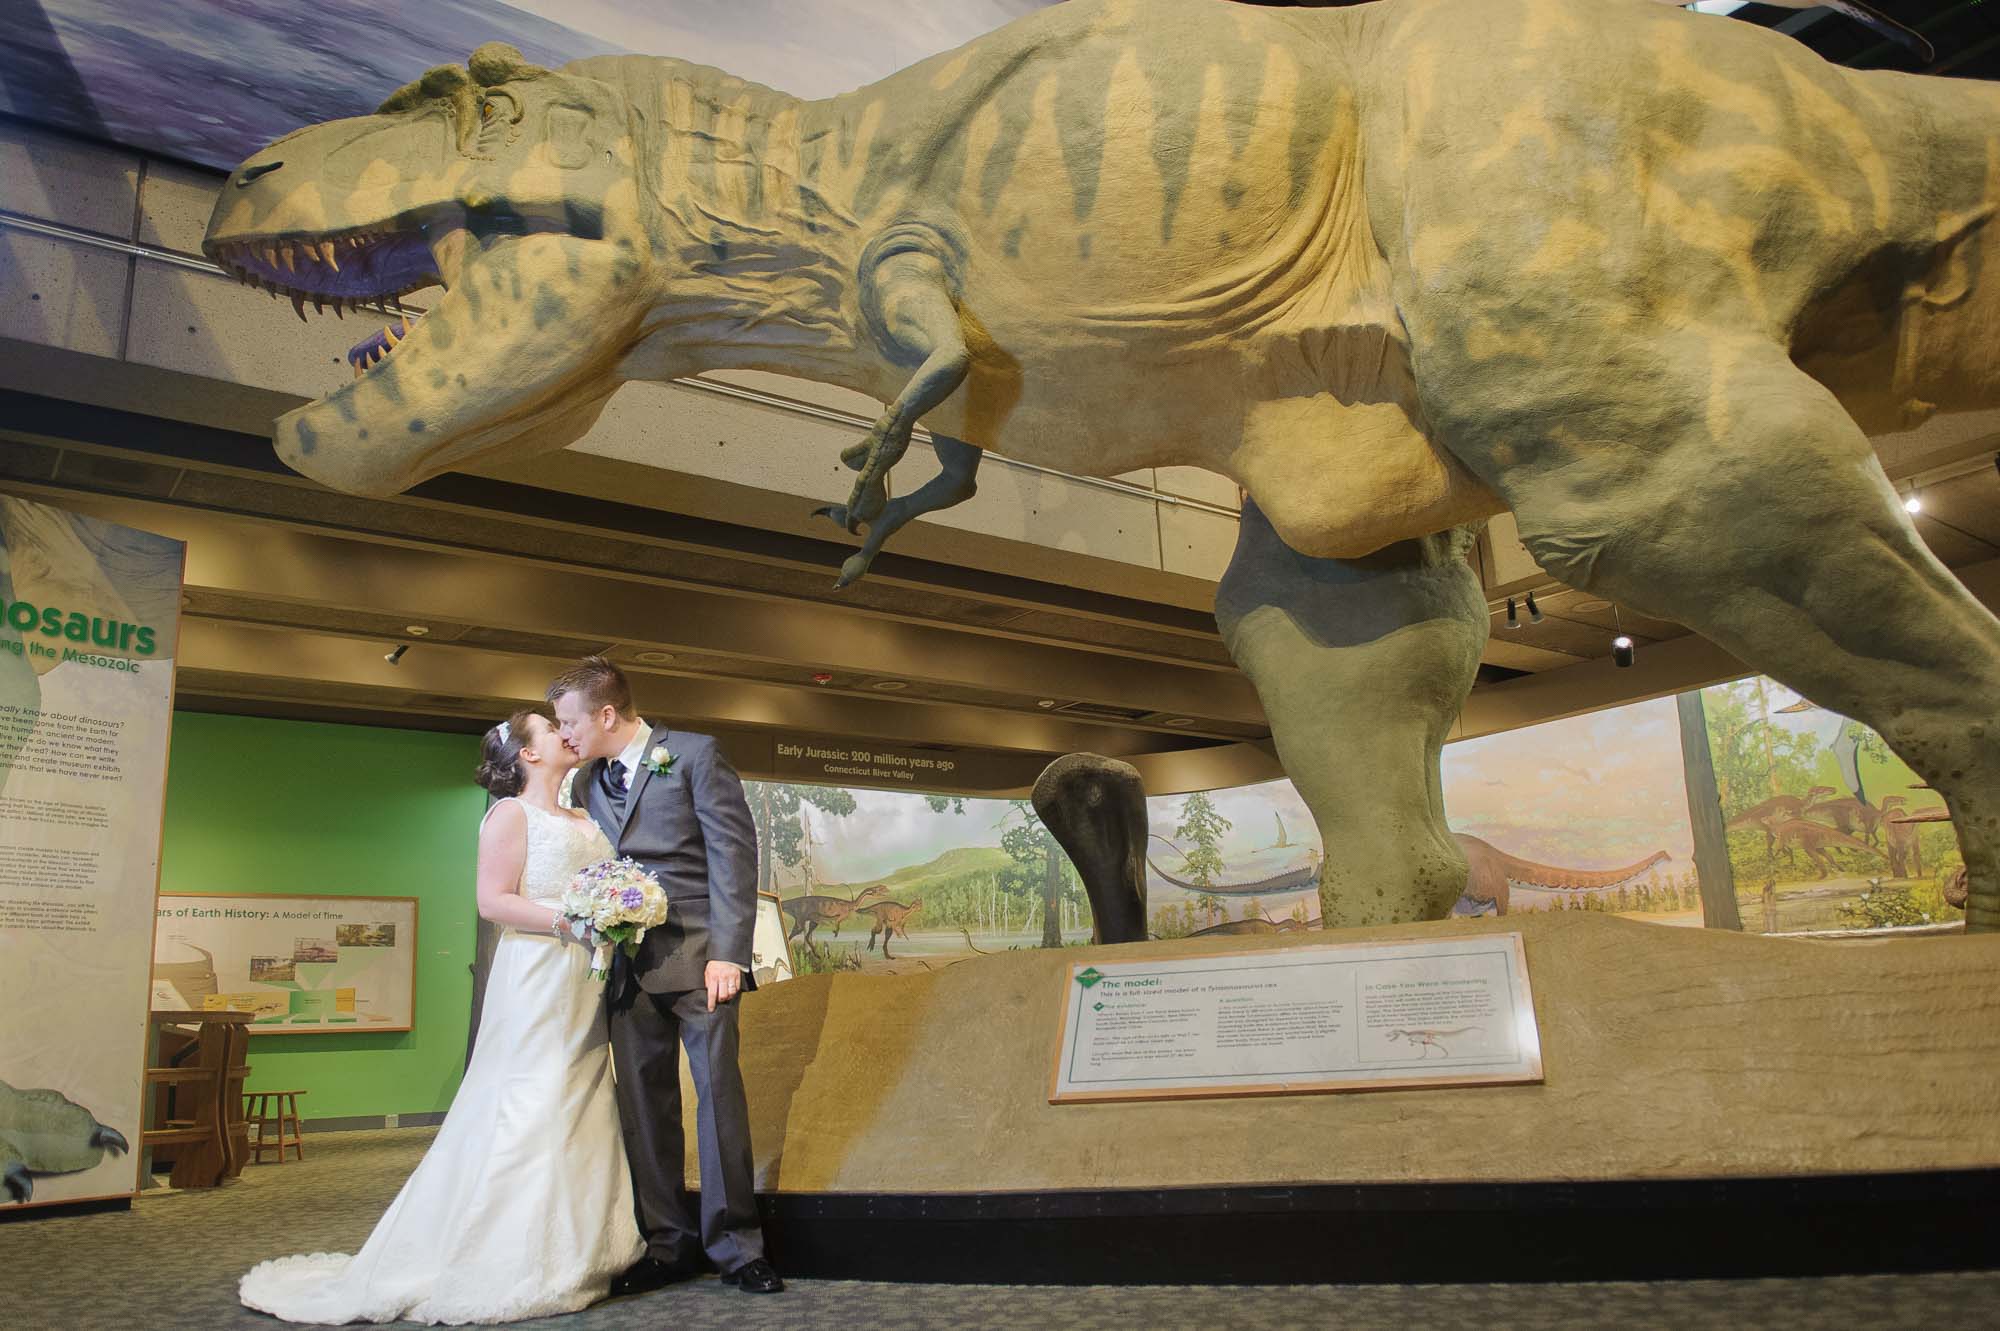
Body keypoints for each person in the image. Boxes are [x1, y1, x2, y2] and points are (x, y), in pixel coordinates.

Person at [238, 706, 644, 1324]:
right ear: (529, 753)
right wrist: (575, 921)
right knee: (530, 1094)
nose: (566, 733)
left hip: (585, 975)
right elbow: (492, 902)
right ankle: (512, 1253)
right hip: (536, 971)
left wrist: (616, 911)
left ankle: (585, 1247)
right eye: (549, 728)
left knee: (581, 1089)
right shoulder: (509, 815)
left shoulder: (586, 815)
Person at [547, 657, 781, 1296]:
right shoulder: (587, 780)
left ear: (605, 714)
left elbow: (733, 855)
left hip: (704, 959)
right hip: (627, 967)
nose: (564, 734)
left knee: (718, 1100)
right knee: (643, 1107)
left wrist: (729, 953)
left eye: (569, 722)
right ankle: (668, 1245)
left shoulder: (696, 755)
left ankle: (737, 1248)